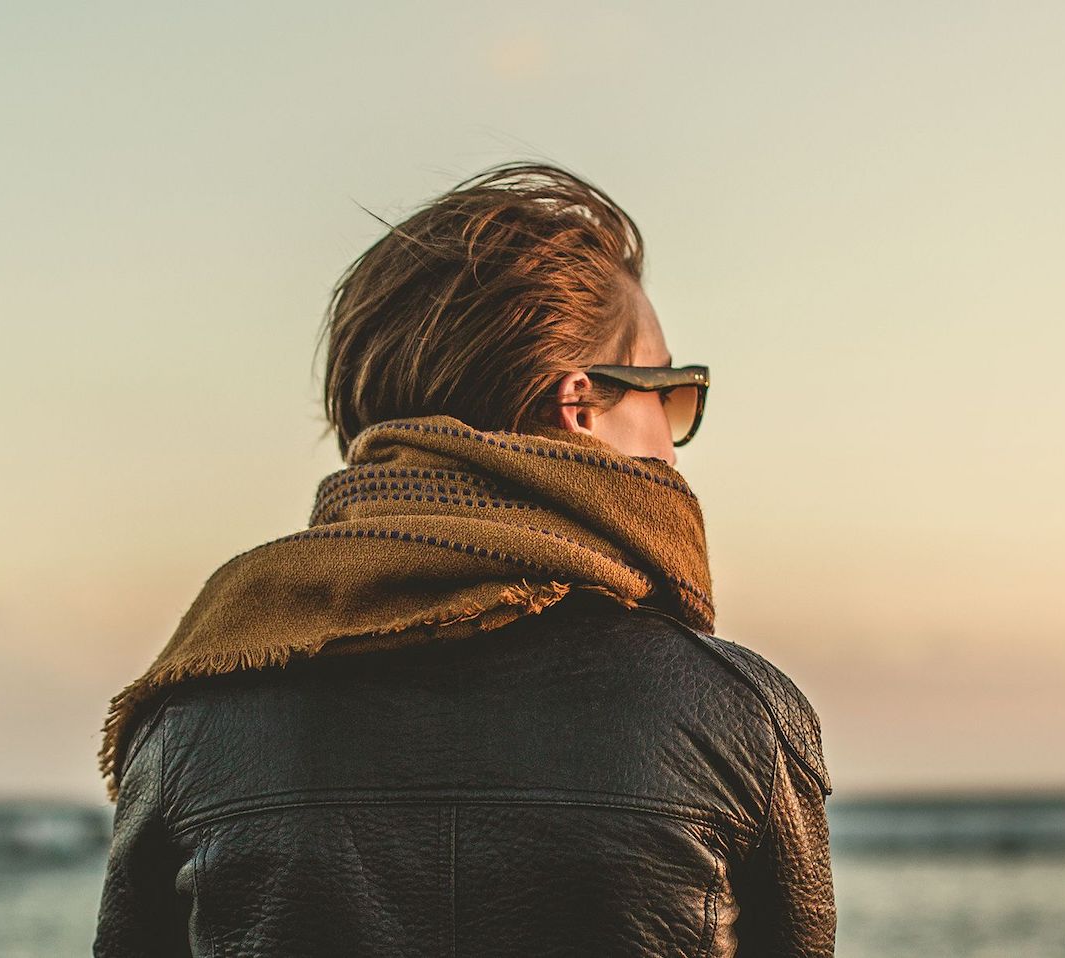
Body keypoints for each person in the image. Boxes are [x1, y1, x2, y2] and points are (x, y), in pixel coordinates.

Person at [94, 161, 835, 956]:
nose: (674, 450)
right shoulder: (741, 716)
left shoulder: (190, 721)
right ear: (580, 404)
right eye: (671, 393)